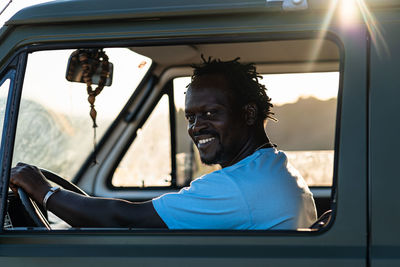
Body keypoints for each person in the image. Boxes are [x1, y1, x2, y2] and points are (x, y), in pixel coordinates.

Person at [9, 57, 317, 229]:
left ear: (248, 113)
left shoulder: (240, 187)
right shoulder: (272, 167)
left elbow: (126, 219)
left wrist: (45, 191)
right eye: (191, 117)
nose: (197, 127)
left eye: (211, 113)